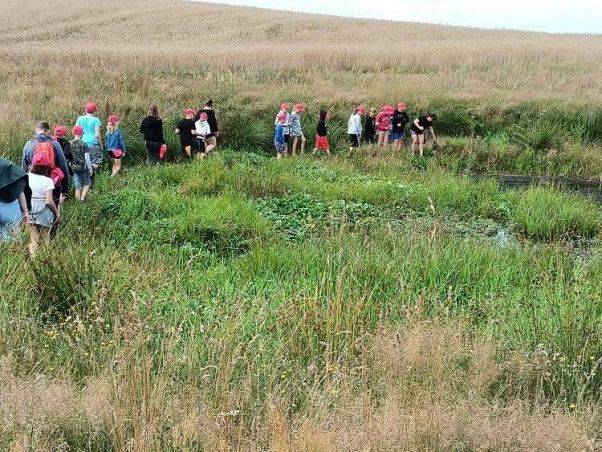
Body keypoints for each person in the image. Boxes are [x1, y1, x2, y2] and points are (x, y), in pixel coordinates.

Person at [21, 122, 69, 209]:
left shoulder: (29, 144)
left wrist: (23, 186)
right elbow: (63, 165)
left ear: (36, 130)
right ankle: (55, 219)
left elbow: (23, 167)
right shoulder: (55, 143)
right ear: (48, 131)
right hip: (53, 181)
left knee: (33, 209)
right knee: (53, 207)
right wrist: (65, 188)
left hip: (33, 183)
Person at [27, 153, 60, 256]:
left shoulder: (26, 176)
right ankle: (46, 259)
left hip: (30, 210)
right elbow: (49, 201)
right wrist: (57, 212)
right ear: (46, 166)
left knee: (33, 237)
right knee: (46, 236)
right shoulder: (48, 181)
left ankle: (33, 258)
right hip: (43, 212)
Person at [0, 158, 29, 242]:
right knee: (15, 239)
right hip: (13, 210)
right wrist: (26, 212)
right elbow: (20, 192)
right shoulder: (8, 165)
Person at [75, 103, 103, 175]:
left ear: (85, 110)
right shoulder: (96, 120)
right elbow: (97, 135)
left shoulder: (80, 119)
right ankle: (90, 172)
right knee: (96, 162)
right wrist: (101, 145)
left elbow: (76, 131)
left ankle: (86, 177)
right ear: (95, 111)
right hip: (92, 144)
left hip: (82, 143)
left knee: (84, 162)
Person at [70, 126, 93, 201]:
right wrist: (90, 169)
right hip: (83, 167)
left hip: (73, 167)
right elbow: (87, 158)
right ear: (81, 134)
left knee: (77, 186)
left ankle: (78, 202)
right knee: (87, 183)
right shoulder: (84, 144)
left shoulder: (69, 143)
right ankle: (82, 198)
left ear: (73, 133)